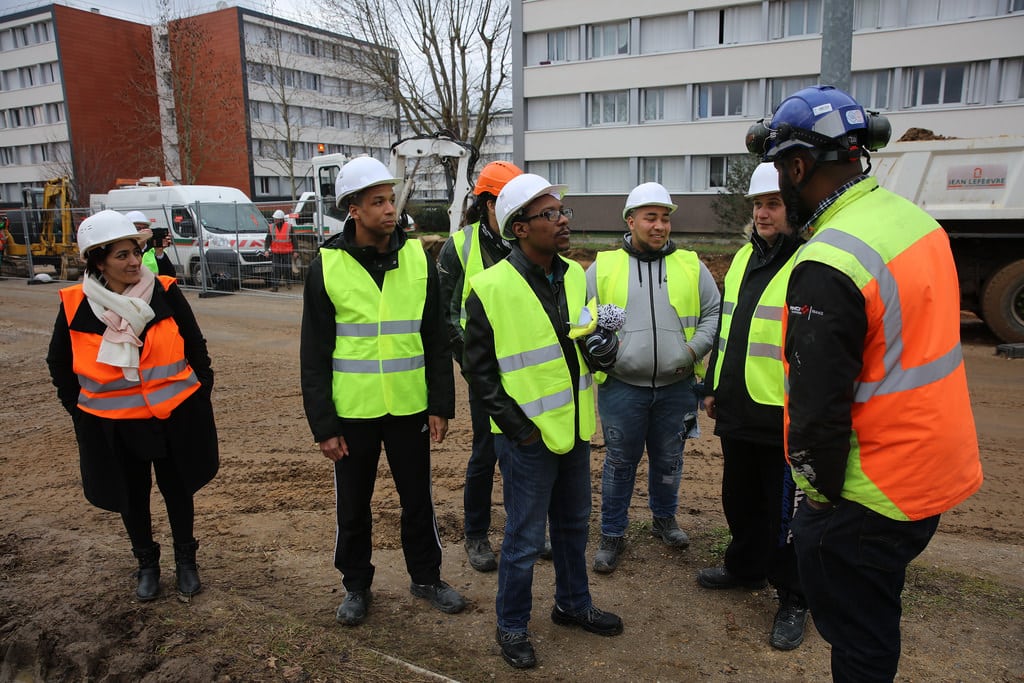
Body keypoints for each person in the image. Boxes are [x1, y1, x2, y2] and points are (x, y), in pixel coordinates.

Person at [747, 85, 984, 681]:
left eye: (780, 171)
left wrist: (816, 501)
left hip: (868, 492)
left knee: (860, 640)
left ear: (799, 167)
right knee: (876, 615)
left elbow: (816, 413)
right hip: (928, 474)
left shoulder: (830, 260)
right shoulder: (915, 223)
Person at [462, 172, 623, 670]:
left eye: (562, 212)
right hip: (526, 438)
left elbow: (580, 342)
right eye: (549, 214)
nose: (562, 221)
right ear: (520, 228)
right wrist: (520, 429)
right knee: (525, 539)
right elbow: (480, 373)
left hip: (574, 428)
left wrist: (602, 351)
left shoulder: (574, 275)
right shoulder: (488, 287)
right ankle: (511, 625)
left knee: (574, 527)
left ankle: (572, 604)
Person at [299, 156, 464, 627]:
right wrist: (324, 426)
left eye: (391, 199)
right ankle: (356, 585)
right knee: (353, 505)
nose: (389, 209)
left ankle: (427, 577)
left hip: (410, 407)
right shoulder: (326, 267)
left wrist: (440, 404)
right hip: (354, 413)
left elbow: (435, 338)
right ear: (353, 209)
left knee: (419, 500)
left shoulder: (418, 258)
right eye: (377, 201)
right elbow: (314, 355)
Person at [46, 209, 218, 602]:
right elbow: (59, 362)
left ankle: (186, 562)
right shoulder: (75, 304)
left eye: (135, 253)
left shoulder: (164, 290)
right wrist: (79, 408)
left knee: (178, 490)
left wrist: (200, 392)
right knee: (131, 495)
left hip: (172, 414)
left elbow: (195, 345)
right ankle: (147, 564)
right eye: (121, 255)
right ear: (98, 261)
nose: (133, 262)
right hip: (114, 423)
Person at [698, 162, 808, 650]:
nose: (763, 213)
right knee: (739, 499)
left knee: (784, 514)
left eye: (774, 204)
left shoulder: (808, 259)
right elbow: (728, 329)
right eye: (759, 205)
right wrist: (711, 384)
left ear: (793, 208)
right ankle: (744, 569)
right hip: (740, 407)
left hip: (782, 414)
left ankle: (794, 598)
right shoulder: (744, 257)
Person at [585, 182, 720, 574]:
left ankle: (665, 518)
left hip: (677, 387)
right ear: (631, 221)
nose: (660, 226)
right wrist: (606, 354)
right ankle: (612, 533)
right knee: (619, 464)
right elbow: (582, 318)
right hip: (623, 388)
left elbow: (713, 313)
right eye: (650, 217)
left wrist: (693, 351)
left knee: (669, 460)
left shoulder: (692, 265)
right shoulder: (604, 266)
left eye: (665, 218)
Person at [438, 160, 553, 572]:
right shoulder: (462, 247)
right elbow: (446, 314)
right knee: (486, 454)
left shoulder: (532, 243)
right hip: (485, 373)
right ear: (486, 203)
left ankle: (530, 529)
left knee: (529, 451)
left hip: (531, 369)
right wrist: (474, 364)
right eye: (504, 202)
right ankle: (476, 533)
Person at [125, 210, 175, 279]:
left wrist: (159, 253)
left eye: (145, 228)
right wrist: (138, 247)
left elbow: (169, 276)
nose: (143, 231)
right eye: (138, 228)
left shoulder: (153, 249)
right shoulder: (122, 250)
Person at [264, 209, 295, 292]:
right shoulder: (271, 227)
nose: (275, 220)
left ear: (281, 219)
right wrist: (266, 250)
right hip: (276, 252)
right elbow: (268, 240)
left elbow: (294, 240)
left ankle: (288, 282)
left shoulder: (289, 227)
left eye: (276, 219)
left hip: (287, 251)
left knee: (287, 268)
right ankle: (275, 286)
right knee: (275, 269)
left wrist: (296, 251)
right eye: (274, 219)